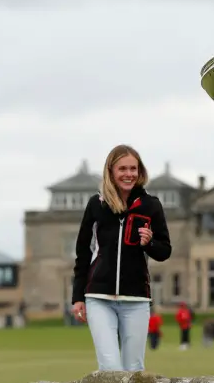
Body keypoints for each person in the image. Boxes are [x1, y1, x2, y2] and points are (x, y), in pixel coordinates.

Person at [71, 144, 172, 371]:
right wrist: (78, 297)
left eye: (133, 169)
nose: (129, 174)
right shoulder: (96, 205)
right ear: (111, 172)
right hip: (98, 297)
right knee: (110, 368)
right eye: (123, 169)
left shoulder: (151, 205)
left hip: (136, 300)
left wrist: (150, 243)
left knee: (133, 369)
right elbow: (83, 252)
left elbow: (165, 251)